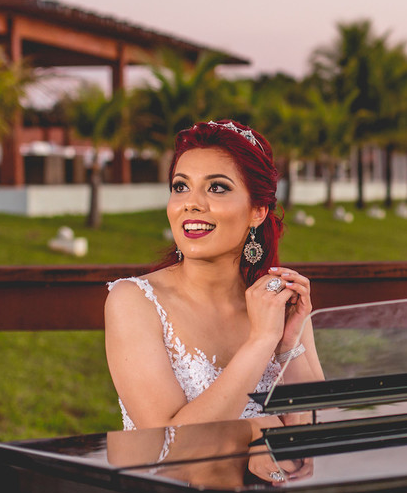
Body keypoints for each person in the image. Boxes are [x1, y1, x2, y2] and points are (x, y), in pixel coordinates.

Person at [104, 119, 322, 443]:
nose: (191, 203)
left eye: (216, 187)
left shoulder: (277, 305)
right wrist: (261, 343)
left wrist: (288, 343)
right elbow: (168, 444)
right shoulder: (133, 302)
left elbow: (316, 432)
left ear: (258, 210)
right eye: (181, 186)